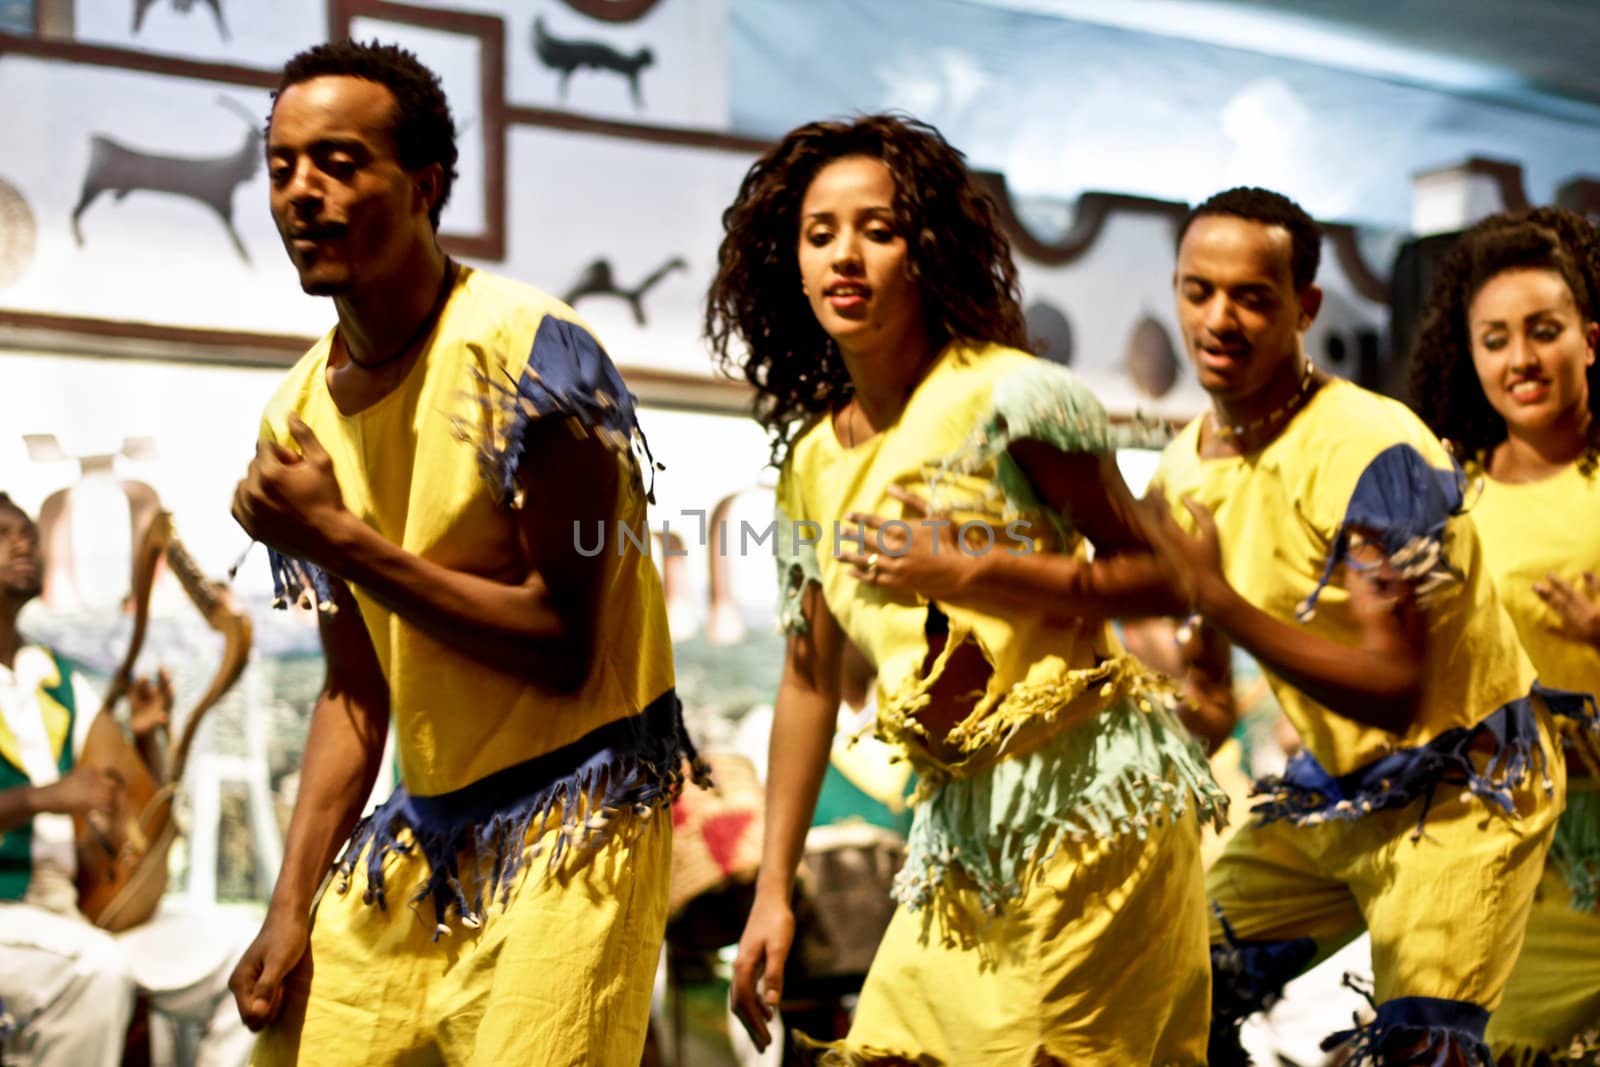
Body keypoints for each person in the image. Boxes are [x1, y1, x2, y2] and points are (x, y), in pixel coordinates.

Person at [707, 113, 1225, 1066]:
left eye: (880, 227)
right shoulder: (812, 463)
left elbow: (1165, 575)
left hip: (1088, 810)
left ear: (929, 248)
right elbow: (808, 682)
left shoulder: (1013, 398)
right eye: (819, 234)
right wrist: (771, 888)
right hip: (958, 836)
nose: (845, 256)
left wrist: (974, 569)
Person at [227, 40, 698, 1065]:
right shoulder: (295, 411)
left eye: (342, 162)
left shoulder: (533, 354)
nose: (303, 193)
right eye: (282, 166)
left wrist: (338, 537)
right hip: (425, 830)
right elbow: (357, 691)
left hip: (580, 817)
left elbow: (564, 642)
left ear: (427, 185)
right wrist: (288, 905)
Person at [1410, 206, 1600, 1066]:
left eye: (1544, 331)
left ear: (1591, 339)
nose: (1520, 359)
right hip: (1504, 862)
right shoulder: (1454, 501)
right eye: (1495, 339)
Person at [0, 492, 254, 1067]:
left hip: (74, 917)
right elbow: (62, 796)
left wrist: (146, 741)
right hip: (11, 914)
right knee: (96, 972)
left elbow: (140, 811)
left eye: (28, 533)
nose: (25, 543)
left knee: (245, 956)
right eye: (4, 534)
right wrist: (44, 798)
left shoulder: (56, 679)